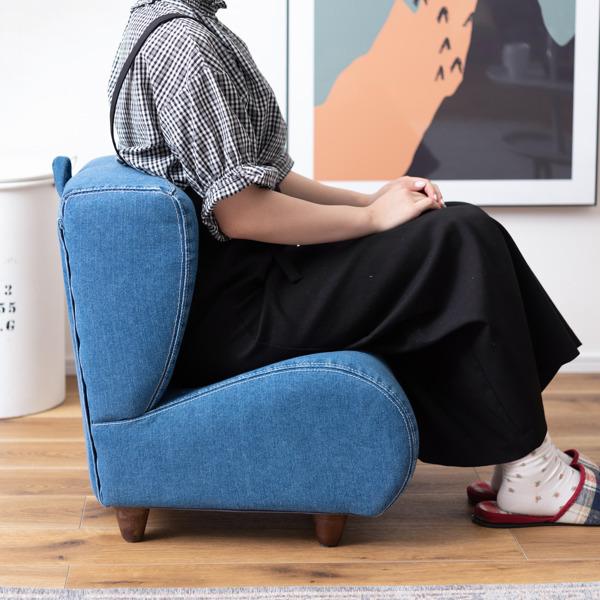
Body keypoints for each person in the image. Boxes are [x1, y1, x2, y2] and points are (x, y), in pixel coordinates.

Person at [108, 0, 599, 527]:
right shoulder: (184, 44)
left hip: (250, 287)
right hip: (237, 316)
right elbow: (241, 212)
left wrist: (371, 201)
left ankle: (522, 458)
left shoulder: (176, 28)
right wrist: (369, 220)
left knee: (452, 223)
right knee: (459, 237)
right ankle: (534, 473)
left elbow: (264, 178)